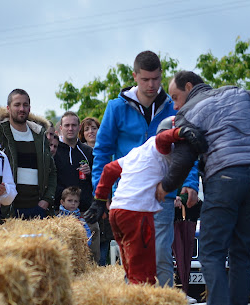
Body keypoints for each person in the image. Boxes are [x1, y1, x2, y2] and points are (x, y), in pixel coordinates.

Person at [160, 70, 250, 305]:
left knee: (211, 250)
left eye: (175, 97)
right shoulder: (237, 92)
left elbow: (183, 160)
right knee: (241, 253)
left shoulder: (188, 113)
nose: (175, 105)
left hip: (225, 178)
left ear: (189, 86)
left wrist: (165, 187)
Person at [92, 51, 199, 288]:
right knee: (132, 257)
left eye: (156, 79)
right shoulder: (116, 108)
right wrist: (101, 192)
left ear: (161, 76)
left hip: (163, 193)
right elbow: (102, 152)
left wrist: (190, 183)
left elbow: (187, 151)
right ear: (135, 76)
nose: (151, 85)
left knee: (161, 254)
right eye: (145, 79)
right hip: (129, 196)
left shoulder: (174, 107)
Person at [86, 116, 198, 285]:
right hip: (136, 213)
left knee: (131, 269)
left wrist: (99, 200)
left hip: (117, 212)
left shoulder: (137, 152)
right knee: (144, 271)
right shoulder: (161, 146)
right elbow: (163, 138)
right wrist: (181, 132)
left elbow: (109, 170)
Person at [0, 88, 56, 219]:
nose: (22, 108)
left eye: (25, 105)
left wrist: (46, 200)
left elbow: (52, 171)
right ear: (8, 108)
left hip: (37, 209)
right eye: (17, 105)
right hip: (8, 209)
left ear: (29, 108)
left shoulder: (40, 135)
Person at [54, 111, 98, 260]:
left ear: (79, 127)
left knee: (91, 259)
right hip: (59, 216)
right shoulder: (54, 151)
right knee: (64, 260)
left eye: (73, 125)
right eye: (67, 125)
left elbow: (99, 178)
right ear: (60, 128)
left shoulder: (88, 152)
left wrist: (90, 172)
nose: (70, 128)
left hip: (86, 214)